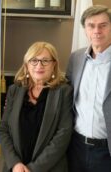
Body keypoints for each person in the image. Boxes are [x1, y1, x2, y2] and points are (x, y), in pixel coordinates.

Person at [0, 42, 73, 172]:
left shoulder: (64, 92)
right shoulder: (14, 90)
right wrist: (15, 163)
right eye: (34, 60)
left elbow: (63, 134)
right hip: (16, 168)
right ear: (27, 64)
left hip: (49, 168)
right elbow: (3, 129)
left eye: (45, 61)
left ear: (54, 64)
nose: (39, 65)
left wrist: (34, 169)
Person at [66, 5, 111, 172]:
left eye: (103, 25)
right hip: (76, 147)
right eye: (91, 25)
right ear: (85, 29)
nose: (97, 30)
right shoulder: (76, 58)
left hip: (107, 151)